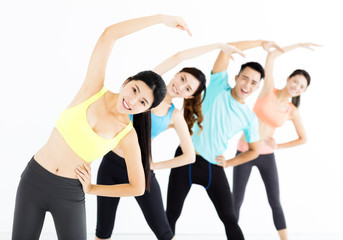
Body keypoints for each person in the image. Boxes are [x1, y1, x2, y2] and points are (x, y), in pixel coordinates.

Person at [11, 14, 191, 240]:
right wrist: (159, 19)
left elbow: (138, 186)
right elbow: (109, 35)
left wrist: (93, 189)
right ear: (127, 82)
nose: (132, 101)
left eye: (143, 102)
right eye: (134, 90)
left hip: (69, 193)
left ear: (146, 110)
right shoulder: (93, 88)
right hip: (34, 180)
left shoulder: (128, 135)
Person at [95, 42, 244, 240]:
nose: (180, 86)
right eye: (181, 78)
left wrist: (154, 165)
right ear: (176, 73)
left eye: (187, 87)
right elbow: (179, 55)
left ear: (189, 95)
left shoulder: (175, 116)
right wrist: (218, 46)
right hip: (110, 165)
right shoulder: (146, 89)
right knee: (103, 232)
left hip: (142, 171)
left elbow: (190, 156)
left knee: (164, 233)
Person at [166, 40, 283, 239]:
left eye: (253, 82)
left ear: (257, 87)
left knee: (229, 218)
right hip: (185, 158)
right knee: (171, 215)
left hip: (213, 167)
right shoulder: (218, 85)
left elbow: (254, 150)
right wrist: (260, 43)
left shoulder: (249, 118)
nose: (247, 85)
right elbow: (225, 49)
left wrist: (229, 162)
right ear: (236, 77)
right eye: (244, 78)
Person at [233, 42, 319, 240]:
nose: (296, 87)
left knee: (275, 201)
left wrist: (278, 146)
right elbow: (271, 57)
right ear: (288, 79)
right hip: (245, 151)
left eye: (301, 86)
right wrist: (298, 45)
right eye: (295, 81)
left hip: (266, 156)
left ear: (303, 91)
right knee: (236, 201)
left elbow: (303, 138)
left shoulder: (292, 111)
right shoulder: (268, 90)